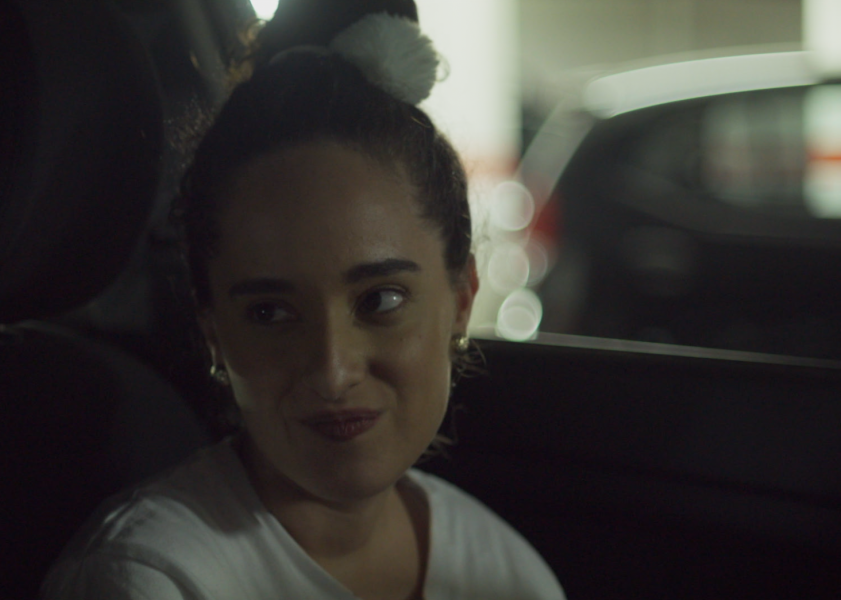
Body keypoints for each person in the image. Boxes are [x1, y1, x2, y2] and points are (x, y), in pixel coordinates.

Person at [42, 0, 565, 598]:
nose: (333, 372)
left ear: (462, 300)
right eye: (270, 313)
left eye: (381, 301)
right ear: (214, 331)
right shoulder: (152, 579)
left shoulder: (506, 573)